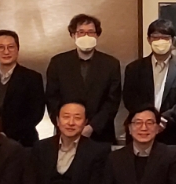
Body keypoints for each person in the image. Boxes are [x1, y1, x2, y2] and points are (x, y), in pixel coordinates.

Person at [45, 14, 121, 145]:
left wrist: (92, 127)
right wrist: (66, 124)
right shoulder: (58, 63)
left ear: (97, 35)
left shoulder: (111, 64)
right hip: (66, 132)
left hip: (101, 134)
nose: (86, 36)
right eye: (81, 32)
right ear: (73, 35)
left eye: (91, 32)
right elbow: (52, 98)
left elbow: (112, 101)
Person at [121, 18, 176, 147]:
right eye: (155, 37)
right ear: (149, 40)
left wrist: (164, 120)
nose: (160, 41)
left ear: (173, 40)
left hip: (173, 134)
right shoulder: (134, 68)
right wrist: (149, 120)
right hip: (140, 131)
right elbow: (129, 98)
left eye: (165, 38)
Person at [0, 30, 45, 147]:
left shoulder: (32, 78)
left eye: (11, 47)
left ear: (18, 49)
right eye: (0, 47)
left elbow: (36, 114)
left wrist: (7, 135)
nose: (6, 51)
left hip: (22, 142)